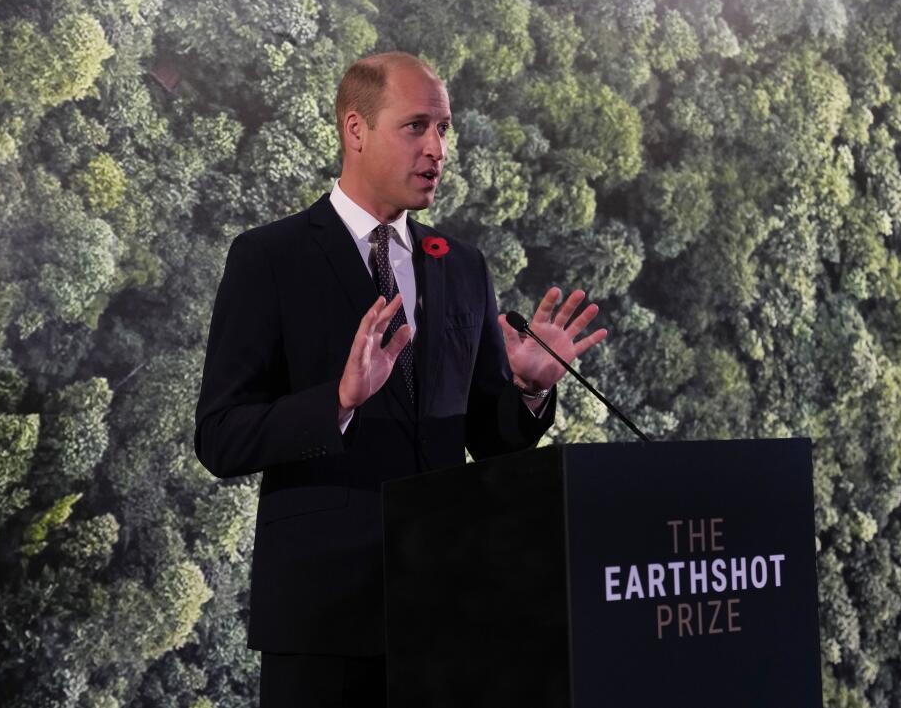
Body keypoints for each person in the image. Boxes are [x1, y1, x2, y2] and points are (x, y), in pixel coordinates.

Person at [194, 51, 608, 707]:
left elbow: (491, 440)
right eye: (416, 126)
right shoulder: (269, 258)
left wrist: (528, 388)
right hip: (323, 620)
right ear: (355, 130)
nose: (437, 148)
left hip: (445, 614)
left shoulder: (462, 267)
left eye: (444, 129)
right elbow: (219, 437)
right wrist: (336, 401)